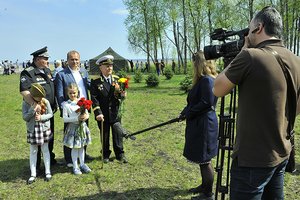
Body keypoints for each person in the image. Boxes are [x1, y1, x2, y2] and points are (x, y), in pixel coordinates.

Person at [213, 6, 300, 200]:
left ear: (258, 27)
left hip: (252, 160)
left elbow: (217, 89)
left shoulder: (250, 56)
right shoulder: (296, 61)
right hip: (281, 153)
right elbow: (297, 107)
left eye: (249, 28)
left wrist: (242, 51)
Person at [180, 51, 218, 200]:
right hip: (200, 122)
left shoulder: (207, 81)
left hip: (204, 125)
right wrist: (184, 112)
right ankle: (204, 186)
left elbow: (206, 103)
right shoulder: (203, 80)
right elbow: (193, 102)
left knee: (205, 160)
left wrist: (188, 113)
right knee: (203, 159)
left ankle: (208, 194)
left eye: (193, 63)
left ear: (199, 64)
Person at [19, 47, 58, 170]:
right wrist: (34, 105)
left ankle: (49, 160)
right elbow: (24, 91)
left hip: (48, 110)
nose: (47, 60)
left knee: (49, 135)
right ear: (37, 59)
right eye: (45, 58)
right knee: (37, 139)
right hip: (36, 111)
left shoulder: (47, 70)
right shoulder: (28, 72)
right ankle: (36, 165)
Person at [55, 50, 93, 167]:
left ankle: (83, 154)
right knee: (70, 135)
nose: (75, 61)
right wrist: (66, 111)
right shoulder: (61, 74)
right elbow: (60, 94)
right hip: (71, 110)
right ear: (67, 61)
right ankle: (69, 159)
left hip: (84, 108)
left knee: (83, 132)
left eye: (77, 59)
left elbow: (89, 86)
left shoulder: (83, 72)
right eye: (72, 59)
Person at [90, 55, 128, 164]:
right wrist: (98, 112)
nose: (109, 68)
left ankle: (120, 153)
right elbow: (94, 98)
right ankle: (105, 153)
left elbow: (119, 96)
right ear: (100, 67)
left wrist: (123, 95)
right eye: (106, 66)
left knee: (117, 133)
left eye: (111, 66)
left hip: (115, 113)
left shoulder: (117, 79)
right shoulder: (96, 82)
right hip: (103, 114)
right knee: (105, 134)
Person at [22, 83, 53, 184]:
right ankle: (33, 174)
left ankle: (47, 171)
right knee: (33, 151)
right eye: (37, 97)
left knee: (45, 149)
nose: (39, 98)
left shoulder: (45, 101)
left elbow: (50, 114)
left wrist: (41, 117)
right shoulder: (26, 103)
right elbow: (25, 117)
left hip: (44, 129)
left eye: (41, 96)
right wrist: (32, 110)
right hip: (33, 129)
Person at [62, 83, 92, 175]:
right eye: (70, 93)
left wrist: (85, 117)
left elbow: (87, 113)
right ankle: (75, 166)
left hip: (82, 127)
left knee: (82, 146)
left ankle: (82, 164)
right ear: (67, 93)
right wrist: (76, 118)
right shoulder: (66, 105)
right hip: (73, 128)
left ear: (77, 92)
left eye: (74, 93)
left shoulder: (81, 102)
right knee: (75, 148)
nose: (72, 95)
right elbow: (65, 118)